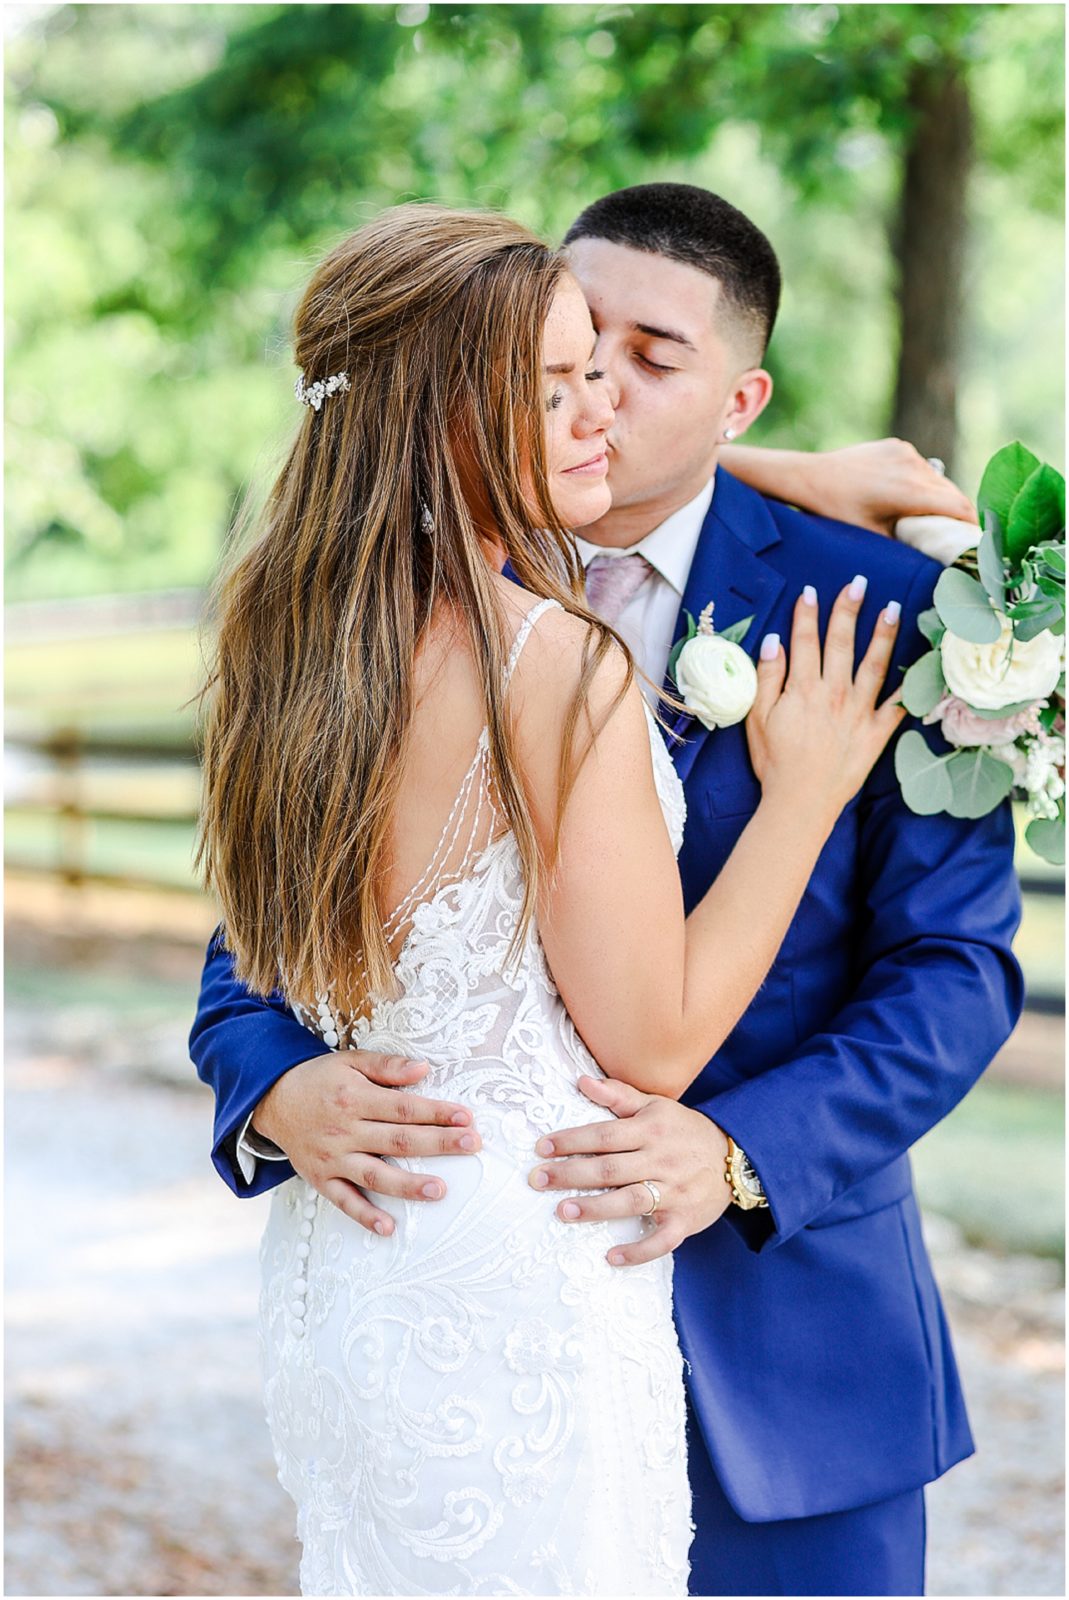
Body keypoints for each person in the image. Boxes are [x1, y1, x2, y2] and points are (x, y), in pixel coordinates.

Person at [191, 187, 1023, 1597]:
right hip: (492, 1293)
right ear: (475, 380)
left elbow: (957, 970)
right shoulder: (407, 614)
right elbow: (269, 932)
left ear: (737, 398)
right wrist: (273, 1082)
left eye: (648, 360)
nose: (603, 399)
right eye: (574, 360)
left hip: (790, 1345)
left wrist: (739, 1151)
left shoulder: (886, 607)